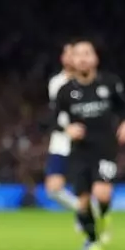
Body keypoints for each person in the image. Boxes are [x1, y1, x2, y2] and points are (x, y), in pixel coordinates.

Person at [52, 40, 125, 250]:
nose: (83, 58)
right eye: (78, 54)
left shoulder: (109, 83)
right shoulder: (65, 91)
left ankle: (105, 215)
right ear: (72, 60)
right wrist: (66, 128)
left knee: (102, 193)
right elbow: (51, 119)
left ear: (95, 58)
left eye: (87, 53)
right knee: (83, 202)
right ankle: (94, 241)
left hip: (106, 148)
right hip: (79, 152)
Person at [44, 44, 82, 215]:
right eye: (66, 53)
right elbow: (55, 114)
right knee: (53, 189)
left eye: (73, 53)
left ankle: (91, 222)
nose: (69, 57)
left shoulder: (87, 82)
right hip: (61, 139)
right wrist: (65, 128)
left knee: (86, 187)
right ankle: (85, 212)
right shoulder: (56, 82)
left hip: (84, 139)